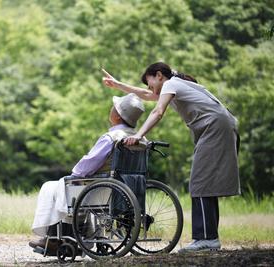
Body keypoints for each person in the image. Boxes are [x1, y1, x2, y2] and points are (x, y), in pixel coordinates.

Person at [102, 62, 240, 252]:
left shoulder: (171, 84)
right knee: (205, 183)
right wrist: (118, 85)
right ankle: (209, 238)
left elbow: (158, 111)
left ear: (159, 75)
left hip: (214, 128)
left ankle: (207, 239)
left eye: (150, 84)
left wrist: (138, 134)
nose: (150, 89)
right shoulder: (174, 84)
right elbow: (145, 95)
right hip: (219, 125)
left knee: (199, 182)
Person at [29, 93, 145, 250]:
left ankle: (54, 238)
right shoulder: (140, 138)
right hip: (128, 187)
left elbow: (89, 163)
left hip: (104, 188)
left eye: (113, 108)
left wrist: (75, 173)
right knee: (66, 189)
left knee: (56, 186)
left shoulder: (111, 137)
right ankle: (69, 237)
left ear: (117, 116)